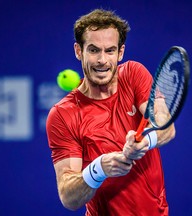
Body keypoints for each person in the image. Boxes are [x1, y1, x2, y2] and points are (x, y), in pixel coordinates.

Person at [46, 8, 175, 216]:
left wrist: (144, 141)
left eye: (110, 50)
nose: (102, 61)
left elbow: (166, 125)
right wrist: (99, 169)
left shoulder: (134, 74)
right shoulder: (63, 115)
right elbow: (68, 197)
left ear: (120, 52)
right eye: (94, 50)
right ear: (79, 51)